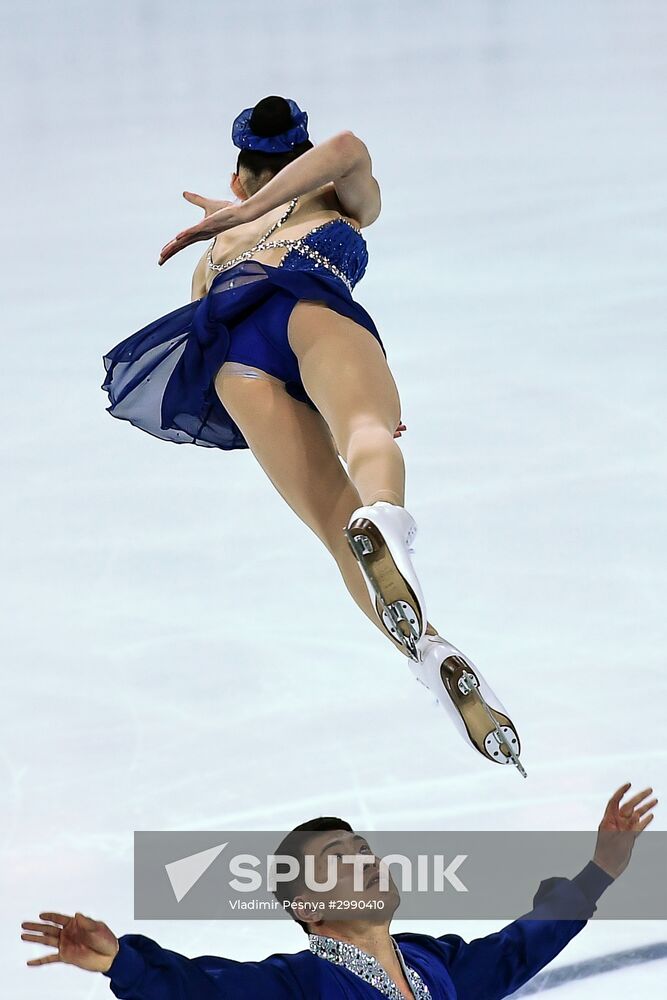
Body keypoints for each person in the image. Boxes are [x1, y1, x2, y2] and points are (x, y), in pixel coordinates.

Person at [101, 95, 522, 770]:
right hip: (308, 299)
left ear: (237, 177)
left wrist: (236, 219)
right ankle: (386, 517)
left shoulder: (215, 253)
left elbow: (201, 328)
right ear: (304, 161)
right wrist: (252, 210)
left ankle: (429, 655)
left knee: (335, 530)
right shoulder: (335, 199)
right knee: (364, 426)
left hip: (232, 349)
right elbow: (349, 145)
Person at [21, 784, 657, 998]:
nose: (365, 861)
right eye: (339, 859)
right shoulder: (300, 985)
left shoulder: (435, 966)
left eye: (363, 850)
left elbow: (521, 947)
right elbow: (201, 990)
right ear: (310, 908)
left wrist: (601, 870)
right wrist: (118, 961)